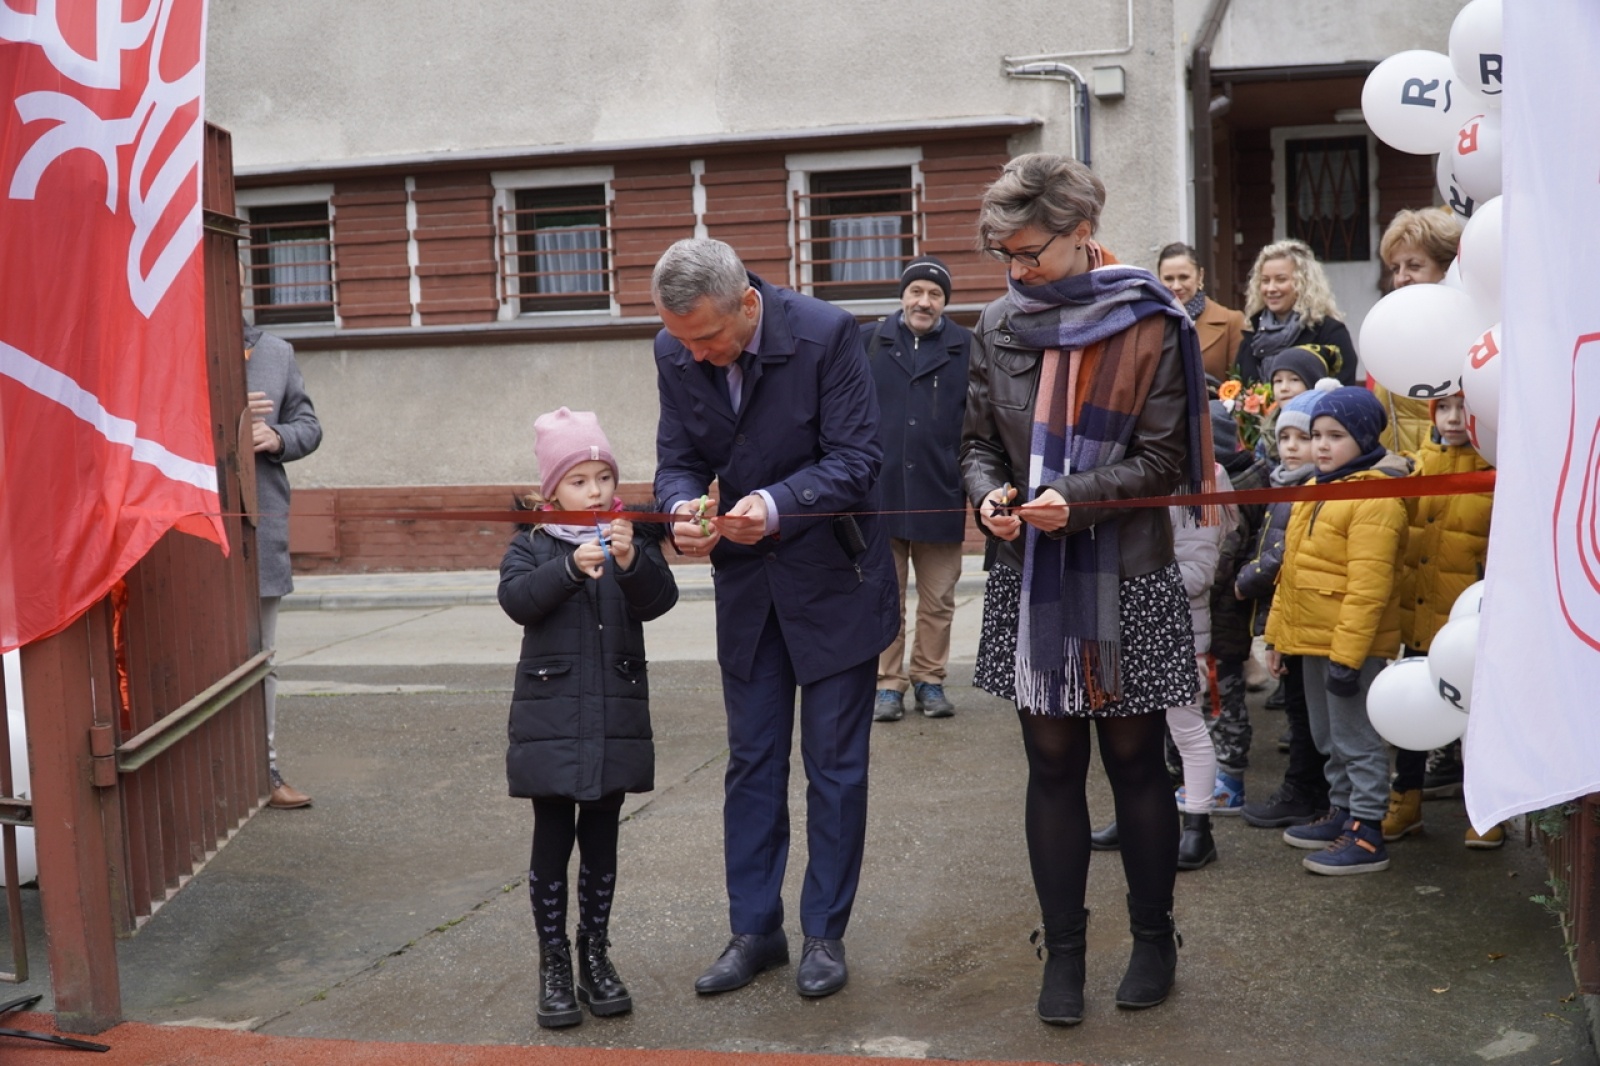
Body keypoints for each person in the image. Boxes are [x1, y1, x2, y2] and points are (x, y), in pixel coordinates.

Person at [962, 153, 1214, 1024]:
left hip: (1130, 569)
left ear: (1081, 236)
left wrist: (1072, 498)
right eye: (1006, 256)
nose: (1017, 270)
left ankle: (1154, 939)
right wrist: (988, 495)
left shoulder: (1150, 319)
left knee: (1139, 761)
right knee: (1052, 762)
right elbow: (976, 443)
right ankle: (1061, 951)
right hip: (1031, 572)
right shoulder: (996, 322)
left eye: (1030, 253)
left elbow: (1164, 462)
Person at [650, 238, 898, 1000]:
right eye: (682, 340)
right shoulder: (675, 345)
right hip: (749, 593)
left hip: (835, 584)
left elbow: (859, 457)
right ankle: (755, 930)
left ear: (747, 305)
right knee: (752, 765)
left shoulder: (827, 333)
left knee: (834, 769)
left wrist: (776, 504)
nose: (695, 355)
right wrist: (678, 509)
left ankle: (824, 932)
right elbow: (677, 457)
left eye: (709, 339)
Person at [498, 408, 679, 1029]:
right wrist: (571, 569)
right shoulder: (533, 541)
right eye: (580, 480)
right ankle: (552, 961)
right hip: (551, 715)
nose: (596, 490)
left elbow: (660, 601)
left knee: (602, 836)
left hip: (614, 712)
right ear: (553, 490)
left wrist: (631, 563)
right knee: (552, 835)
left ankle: (593, 953)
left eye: (604, 476)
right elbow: (518, 601)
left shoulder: (634, 534)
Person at [1264, 387, 1410, 875]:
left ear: (1365, 438)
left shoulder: (1375, 498)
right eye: (1316, 436)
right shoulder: (1313, 489)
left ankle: (1368, 831)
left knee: (1356, 737)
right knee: (1329, 737)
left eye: (1335, 436)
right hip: (1309, 639)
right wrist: (1276, 636)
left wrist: (1348, 658)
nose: (1321, 446)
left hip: (1348, 645)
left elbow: (1369, 589)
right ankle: (1343, 813)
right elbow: (1291, 572)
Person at [1384, 393, 1499, 848]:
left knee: (1479, 717)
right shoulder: (1416, 466)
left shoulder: (1496, 473)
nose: (1453, 419)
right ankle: (1405, 799)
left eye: (1464, 408)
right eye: (1444, 408)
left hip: (1469, 621)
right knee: (1414, 704)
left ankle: (1485, 809)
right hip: (1419, 613)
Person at [862, 255, 972, 722]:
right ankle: (888, 684)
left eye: (934, 294)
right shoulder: (868, 340)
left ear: (945, 302)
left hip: (940, 491)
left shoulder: (965, 346)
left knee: (938, 600)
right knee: (885, 597)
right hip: (880, 494)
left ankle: (929, 680)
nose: (923, 302)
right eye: (916, 292)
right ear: (903, 294)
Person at [1236, 390, 1331, 828]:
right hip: (1287, 617)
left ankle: (1306, 792)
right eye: (1286, 437)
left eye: (1303, 437)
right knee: (1298, 710)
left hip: (1308, 620)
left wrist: (1245, 579)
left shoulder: (1307, 493)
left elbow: (1279, 557)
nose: (1292, 446)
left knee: (1308, 713)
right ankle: (1304, 790)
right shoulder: (1283, 487)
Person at [244, 325, 323, 810]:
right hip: (191, 527)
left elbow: (309, 426)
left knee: (260, 659)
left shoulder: (274, 351)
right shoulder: (166, 337)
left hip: (260, 525)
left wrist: (274, 436)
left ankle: (262, 772)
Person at [1374, 208, 1463, 455]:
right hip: (1400, 474)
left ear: (1445, 268)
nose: (1402, 277)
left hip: (1445, 471)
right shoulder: (1388, 327)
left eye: (1413, 265)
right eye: (1395, 268)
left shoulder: (1462, 329)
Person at [1235, 239, 1358, 387]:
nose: (1271, 288)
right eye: (1265, 281)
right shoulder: (1252, 339)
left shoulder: (1330, 333)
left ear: (1304, 283)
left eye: (1281, 280)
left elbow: (1342, 392)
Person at [1156, 242, 1246, 381]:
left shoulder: (1231, 322)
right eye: (1168, 279)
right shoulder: (1150, 324)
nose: (1176, 286)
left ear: (1200, 276)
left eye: (1184, 277)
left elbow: (1240, 386)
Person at [1255, 344, 1334, 462]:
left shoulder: (1331, 427)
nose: (1284, 388)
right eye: (1278, 381)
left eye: (1294, 380)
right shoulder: (1267, 433)